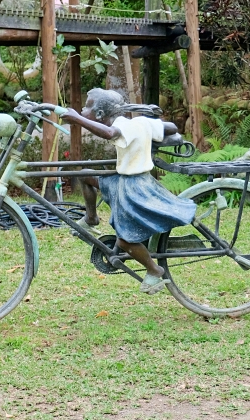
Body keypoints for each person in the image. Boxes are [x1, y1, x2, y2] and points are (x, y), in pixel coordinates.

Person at [56, 88, 196, 295]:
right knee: (85, 174)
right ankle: (91, 218)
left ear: (101, 115)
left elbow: (110, 133)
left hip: (134, 186)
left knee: (125, 239)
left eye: (87, 106)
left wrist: (77, 119)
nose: (84, 110)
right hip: (121, 180)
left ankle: (154, 270)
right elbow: (171, 127)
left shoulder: (124, 126)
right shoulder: (139, 122)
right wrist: (161, 130)